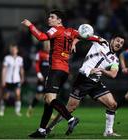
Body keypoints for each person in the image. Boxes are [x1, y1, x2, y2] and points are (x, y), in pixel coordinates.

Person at [21, 10, 103, 138]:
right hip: (64, 70)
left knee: (50, 99)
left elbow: (41, 37)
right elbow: (88, 36)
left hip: (55, 69)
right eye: (49, 17)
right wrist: (99, 39)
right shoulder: (71, 31)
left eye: (52, 17)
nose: (49, 19)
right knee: (48, 101)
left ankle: (71, 119)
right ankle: (42, 130)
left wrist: (30, 25)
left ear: (59, 21)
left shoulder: (55, 30)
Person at [46, 35, 125, 137]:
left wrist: (101, 70)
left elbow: (113, 74)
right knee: (70, 108)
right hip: (83, 80)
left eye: (121, 43)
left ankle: (108, 132)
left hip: (95, 82)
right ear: (112, 40)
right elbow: (84, 35)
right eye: (117, 41)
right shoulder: (101, 41)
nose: (119, 44)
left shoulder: (115, 60)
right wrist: (74, 43)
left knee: (113, 105)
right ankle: (49, 128)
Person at [0, 43, 24, 117]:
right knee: (6, 96)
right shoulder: (7, 58)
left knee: (18, 95)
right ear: (10, 50)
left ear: (17, 50)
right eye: (12, 49)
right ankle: (1, 110)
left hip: (17, 80)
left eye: (15, 49)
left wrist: (22, 77)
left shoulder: (20, 59)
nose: (13, 51)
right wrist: (3, 80)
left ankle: (17, 111)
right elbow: (4, 70)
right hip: (8, 80)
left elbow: (21, 69)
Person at [26, 42, 50, 117]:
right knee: (39, 95)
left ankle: (49, 113)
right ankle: (31, 107)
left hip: (49, 78)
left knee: (49, 96)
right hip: (41, 78)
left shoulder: (53, 54)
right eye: (46, 46)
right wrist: (39, 74)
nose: (47, 47)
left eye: (48, 45)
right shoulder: (39, 54)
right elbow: (36, 65)